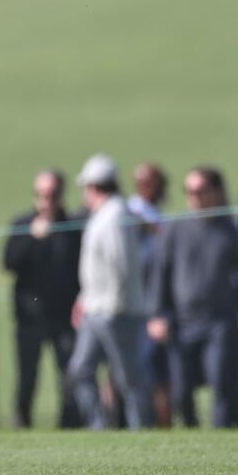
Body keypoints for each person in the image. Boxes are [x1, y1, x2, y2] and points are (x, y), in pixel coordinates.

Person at [148, 166, 238, 428]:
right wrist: (158, 315)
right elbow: (162, 275)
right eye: (189, 191)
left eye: (200, 191)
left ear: (216, 192)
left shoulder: (230, 232)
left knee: (222, 384)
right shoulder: (174, 229)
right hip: (182, 323)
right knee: (180, 390)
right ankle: (191, 436)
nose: (194, 197)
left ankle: (225, 440)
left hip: (219, 322)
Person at [66, 155, 149, 430]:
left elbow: (120, 265)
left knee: (128, 379)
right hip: (96, 309)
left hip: (115, 311)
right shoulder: (104, 215)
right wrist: (84, 301)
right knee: (80, 370)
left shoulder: (116, 215)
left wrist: (113, 306)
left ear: (93, 186)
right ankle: (99, 426)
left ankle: (141, 430)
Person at [2, 168, 82, 429]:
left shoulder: (72, 227)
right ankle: (22, 423)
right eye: (42, 195)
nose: (47, 201)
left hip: (64, 315)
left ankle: (69, 424)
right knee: (27, 376)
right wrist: (31, 238)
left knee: (68, 375)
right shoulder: (22, 224)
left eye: (53, 194)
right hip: (29, 316)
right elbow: (9, 262)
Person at [128, 162, 171, 427]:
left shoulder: (157, 216)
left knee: (160, 376)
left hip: (156, 308)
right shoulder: (130, 214)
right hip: (134, 308)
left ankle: (160, 427)